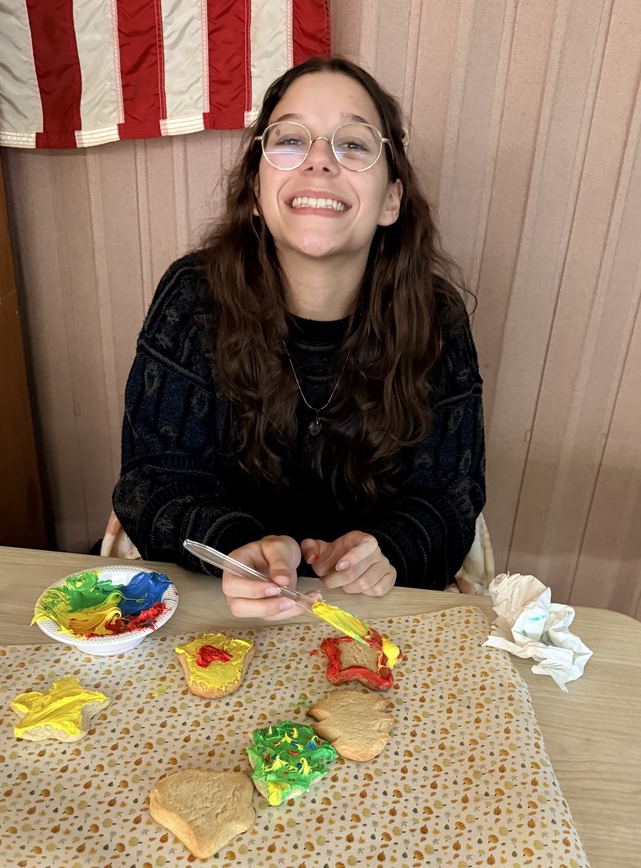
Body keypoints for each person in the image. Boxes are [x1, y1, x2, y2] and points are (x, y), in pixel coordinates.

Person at [113, 56, 486, 623]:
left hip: (376, 603)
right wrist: (236, 547)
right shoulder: (193, 296)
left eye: (355, 146)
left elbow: (451, 493)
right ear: (258, 190)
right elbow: (152, 480)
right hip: (218, 594)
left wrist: (388, 550)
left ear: (391, 199)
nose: (318, 162)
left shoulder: (436, 316)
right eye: (290, 140)